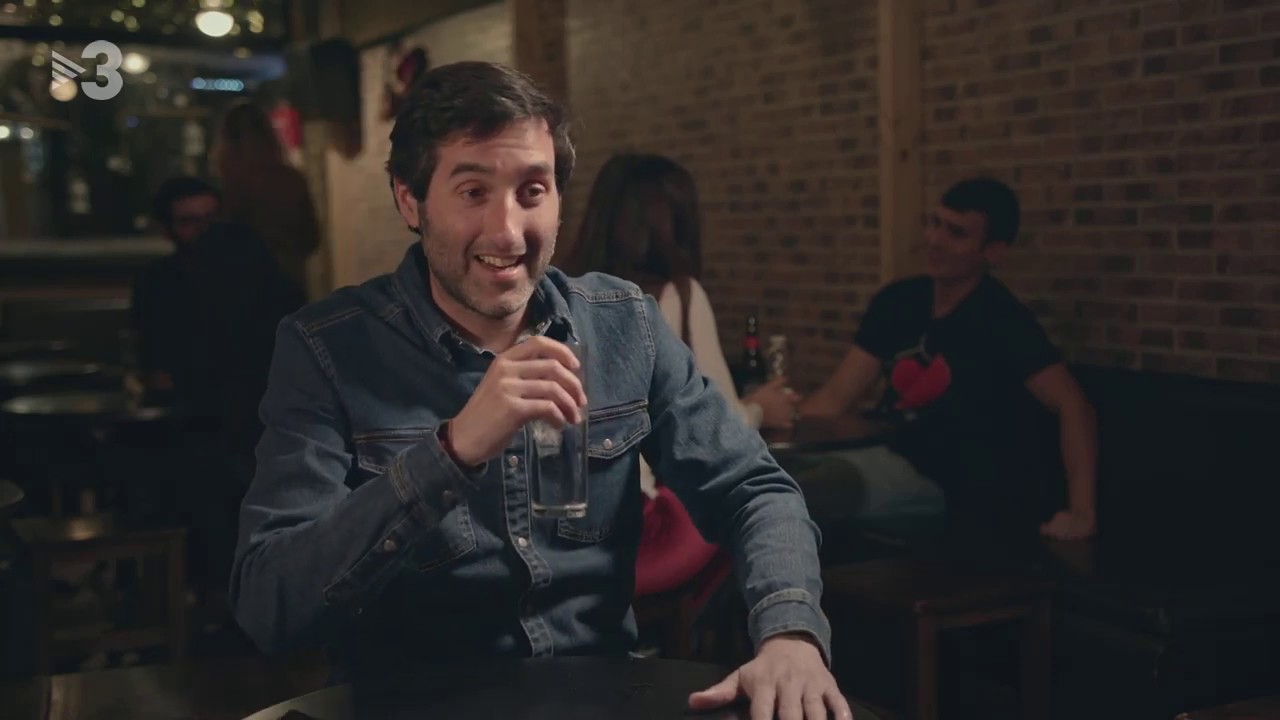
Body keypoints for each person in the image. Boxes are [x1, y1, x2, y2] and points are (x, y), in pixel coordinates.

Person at [231, 61, 850, 720]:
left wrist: (790, 634)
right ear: (410, 200)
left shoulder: (623, 323)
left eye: (532, 190)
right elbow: (271, 604)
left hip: (603, 696)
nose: (507, 232)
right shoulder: (327, 346)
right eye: (473, 191)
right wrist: (452, 452)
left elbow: (753, 488)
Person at [800, 177, 1098, 544]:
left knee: (788, 495)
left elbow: (1073, 404)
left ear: (994, 252)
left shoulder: (1001, 320)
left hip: (938, 479)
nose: (935, 241)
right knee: (751, 476)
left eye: (955, 233)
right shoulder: (899, 301)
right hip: (873, 451)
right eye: (935, 223)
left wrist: (1082, 513)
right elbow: (835, 398)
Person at [569, 152, 799, 497]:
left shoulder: (561, 291)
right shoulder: (678, 295)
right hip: (643, 510)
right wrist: (761, 409)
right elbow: (717, 429)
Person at [211, 100, 321, 296]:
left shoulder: (225, 188)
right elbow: (311, 238)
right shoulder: (291, 180)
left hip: (237, 287)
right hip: (288, 282)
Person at [130, 176, 221, 397]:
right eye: (190, 221)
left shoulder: (254, 278)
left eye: (211, 219)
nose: (204, 230)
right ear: (166, 229)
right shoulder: (156, 281)